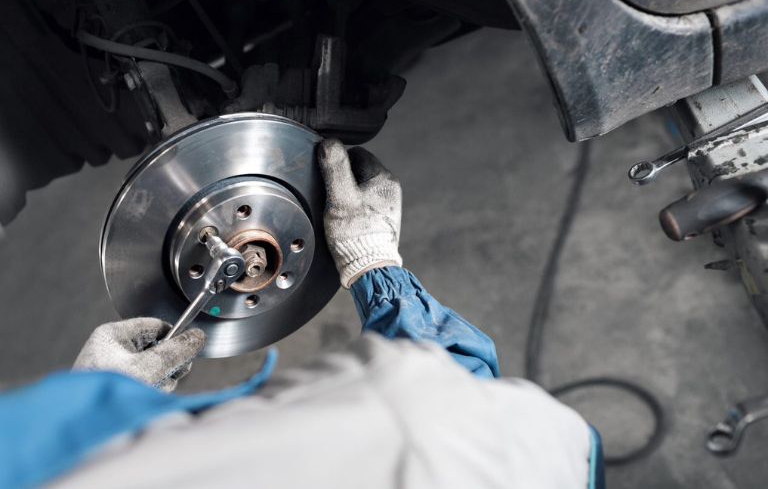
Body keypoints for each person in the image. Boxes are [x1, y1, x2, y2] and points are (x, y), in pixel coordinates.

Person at [0, 140, 604, 488]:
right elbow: (458, 414)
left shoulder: (35, 454)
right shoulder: (423, 436)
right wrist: (374, 264)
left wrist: (93, 412)